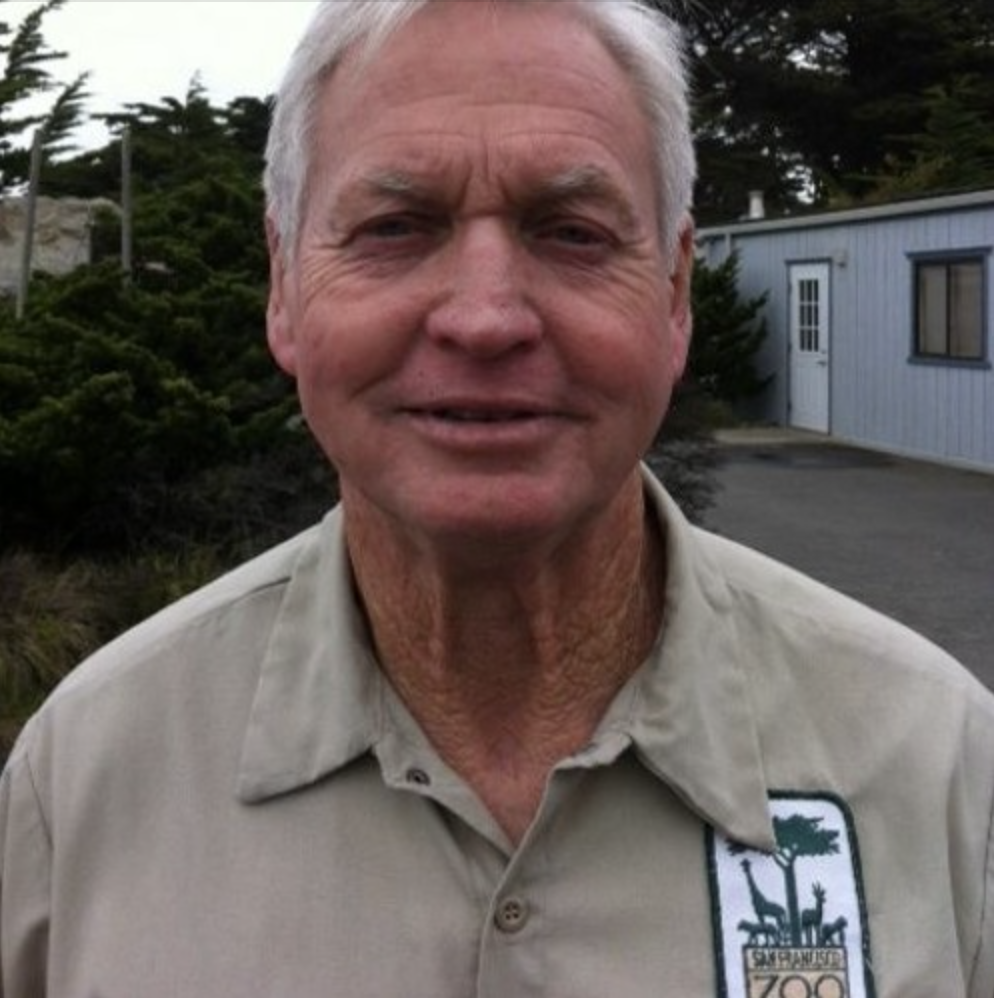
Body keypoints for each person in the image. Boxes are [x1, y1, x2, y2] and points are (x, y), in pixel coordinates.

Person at [2, 0, 993, 994]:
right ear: (283, 286)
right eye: (395, 227)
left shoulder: (936, 762)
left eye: (570, 231)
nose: (484, 318)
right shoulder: (85, 774)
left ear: (677, 293)